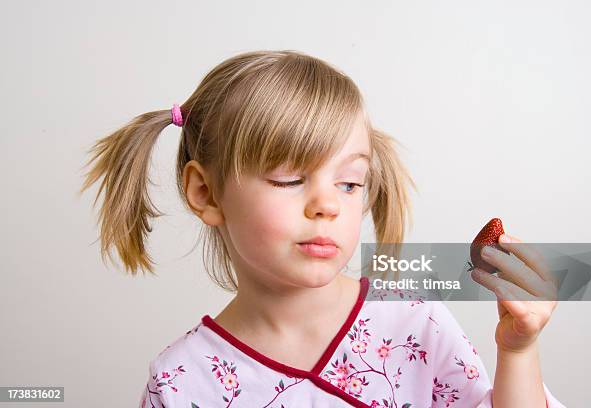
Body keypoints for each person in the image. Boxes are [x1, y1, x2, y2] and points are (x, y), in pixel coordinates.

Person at [80, 50, 565, 407]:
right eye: (290, 179)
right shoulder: (181, 383)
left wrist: (517, 350)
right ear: (206, 193)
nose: (328, 204)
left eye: (350, 183)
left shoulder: (414, 320)